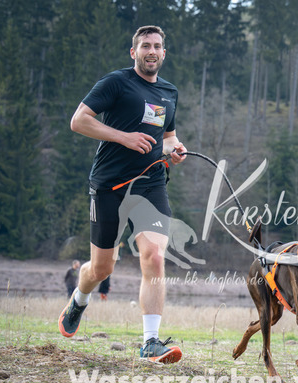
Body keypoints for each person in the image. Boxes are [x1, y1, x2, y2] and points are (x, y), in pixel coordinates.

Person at [58, 25, 187, 364]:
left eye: (157, 46)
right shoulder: (116, 83)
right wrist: (123, 137)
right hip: (110, 186)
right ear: (134, 52)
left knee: (154, 257)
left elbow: (168, 136)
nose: (151, 51)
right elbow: (78, 121)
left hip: (150, 185)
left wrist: (175, 149)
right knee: (102, 268)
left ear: (163, 53)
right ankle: (79, 299)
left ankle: (150, 342)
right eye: (145, 46)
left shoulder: (169, 92)